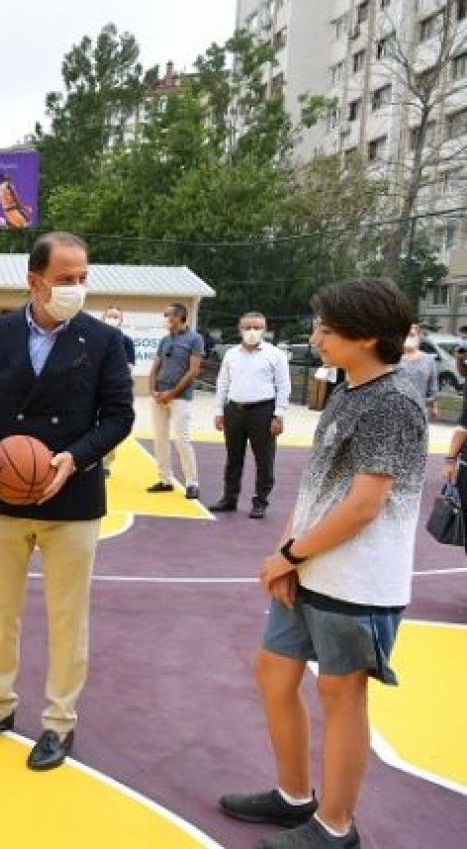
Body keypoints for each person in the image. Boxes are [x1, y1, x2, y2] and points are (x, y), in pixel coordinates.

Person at [219, 279, 427, 849]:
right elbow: (317, 488)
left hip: (359, 582)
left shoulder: (394, 400)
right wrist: (288, 558)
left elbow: (364, 505)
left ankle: (335, 827)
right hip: (311, 568)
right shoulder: (346, 391)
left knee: (341, 698)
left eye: (327, 330)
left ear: (365, 337)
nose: (316, 338)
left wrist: (290, 554)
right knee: (274, 673)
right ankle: (293, 798)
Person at [0, 232, 134, 770]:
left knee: (67, 618)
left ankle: (58, 722)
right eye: (65, 280)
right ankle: (0, 706)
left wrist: (73, 458)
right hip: (2, 495)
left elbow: (119, 416)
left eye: (83, 278)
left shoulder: (101, 340)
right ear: (34, 281)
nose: (76, 288)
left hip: (71, 499)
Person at [209, 312, 291, 519]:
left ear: (265, 329)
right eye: (248, 327)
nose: (252, 332)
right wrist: (219, 411)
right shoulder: (231, 355)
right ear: (240, 329)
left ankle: (260, 501)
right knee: (233, 457)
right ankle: (229, 498)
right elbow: (222, 384)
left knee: (264, 459)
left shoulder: (275, 355)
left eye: (257, 327)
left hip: (263, 411)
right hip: (234, 410)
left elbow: (283, 386)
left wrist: (278, 415)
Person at [147, 302, 204, 499]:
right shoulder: (164, 340)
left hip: (180, 398)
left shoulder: (195, 339)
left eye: (168, 315)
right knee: (160, 439)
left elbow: (193, 371)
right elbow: (155, 367)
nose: (165, 319)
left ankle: (192, 483)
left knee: (182, 439)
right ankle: (165, 480)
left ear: (179, 317)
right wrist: (153, 390)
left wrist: (171, 393)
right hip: (159, 397)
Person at [100, 305, 137, 477]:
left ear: (121, 320)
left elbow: (128, 368)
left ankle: (106, 463)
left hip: (114, 390)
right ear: (103, 317)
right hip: (94, 389)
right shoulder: (95, 338)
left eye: (116, 316)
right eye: (110, 316)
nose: (112, 319)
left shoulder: (126, 342)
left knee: (111, 426)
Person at [393, 323, 438, 421]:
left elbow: (432, 387)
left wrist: (434, 406)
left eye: (411, 334)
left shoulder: (429, 360)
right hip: (396, 410)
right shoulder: (393, 359)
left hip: (420, 411)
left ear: (419, 336)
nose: (408, 337)